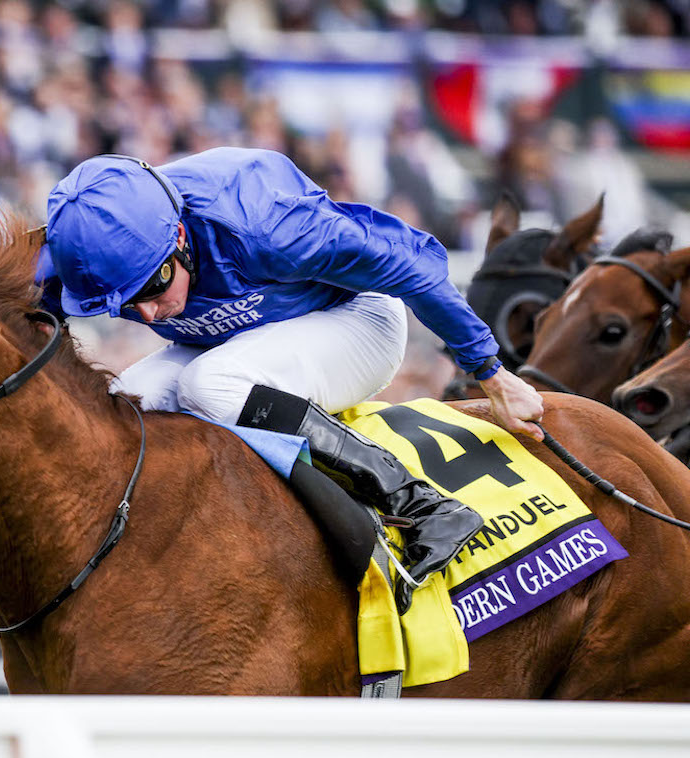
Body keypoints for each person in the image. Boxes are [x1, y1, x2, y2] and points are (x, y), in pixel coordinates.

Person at [35, 148, 545, 611]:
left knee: (209, 384)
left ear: (181, 237)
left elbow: (414, 262)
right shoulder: (78, 249)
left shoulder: (264, 224)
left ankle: (420, 503)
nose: (147, 314)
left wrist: (491, 372)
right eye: (125, 303)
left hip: (355, 319)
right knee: (125, 404)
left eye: (155, 284)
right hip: (234, 339)